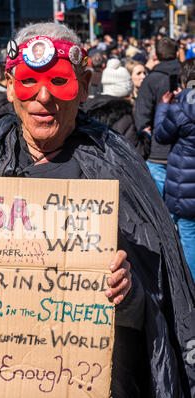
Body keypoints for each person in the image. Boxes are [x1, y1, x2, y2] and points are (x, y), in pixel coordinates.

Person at [0, 22, 195, 398]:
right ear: (10, 86)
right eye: (29, 83)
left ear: (83, 87)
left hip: (78, 385)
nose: (43, 98)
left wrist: (128, 289)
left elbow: (158, 289)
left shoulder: (117, 166)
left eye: (59, 82)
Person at [154, 58, 195, 281]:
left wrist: (163, 106)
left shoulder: (180, 106)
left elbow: (161, 135)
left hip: (184, 181)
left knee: (188, 233)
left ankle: (190, 285)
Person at [134, 36, 181, 197]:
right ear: (177, 53)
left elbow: (141, 117)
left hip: (157, 153)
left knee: (160, 209)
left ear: (155, 56)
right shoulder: (187, 75)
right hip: (185, 150)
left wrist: (145, 144)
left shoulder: (150, 81)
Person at [83, 58, 150, 159]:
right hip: (115, 171)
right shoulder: (123, 115)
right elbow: (136, 152)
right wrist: (146, 136)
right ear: (126, 88)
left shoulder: (89, 107)